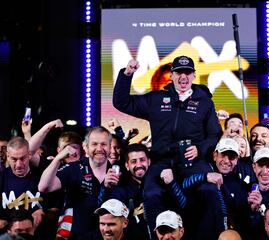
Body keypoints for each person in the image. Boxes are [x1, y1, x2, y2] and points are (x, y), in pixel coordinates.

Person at [112, 56, 224, 239]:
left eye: (188, 73)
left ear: (194, 76)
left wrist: (200, 148)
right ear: (171, 76)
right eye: (179, 72)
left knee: (209, 191)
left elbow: (214, 135)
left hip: (193, 162)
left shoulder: (205, 103)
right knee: (151, 193)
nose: (183, 77)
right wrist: (127, 74)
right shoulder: (156, 99)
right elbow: (122, 102)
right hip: (161, 162)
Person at [38, 126, 113, 239]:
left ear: (110, 147)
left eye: (103, 144)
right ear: (85, 147)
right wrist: (58, 159)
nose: (99, 148)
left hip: (107, 236)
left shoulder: (117, 172)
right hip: (75, 236)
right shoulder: (74, 168)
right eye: (94, 144)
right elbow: (44, 187)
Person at [0, 137, 45, 235]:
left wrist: (44, 213)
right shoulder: (1, 179)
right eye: (14, 159)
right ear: (7, 156)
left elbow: (56, 208)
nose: (19, 164)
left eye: (22, 158)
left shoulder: (43, 177)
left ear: (29, 155)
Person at [106, 143, 152, 240]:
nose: (139, 165)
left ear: (149, 161)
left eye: (142, 160)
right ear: (127, 165)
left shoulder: (160, 184)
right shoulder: (120, 191)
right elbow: (113, 222)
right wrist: (132, 215)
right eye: (134, 161)